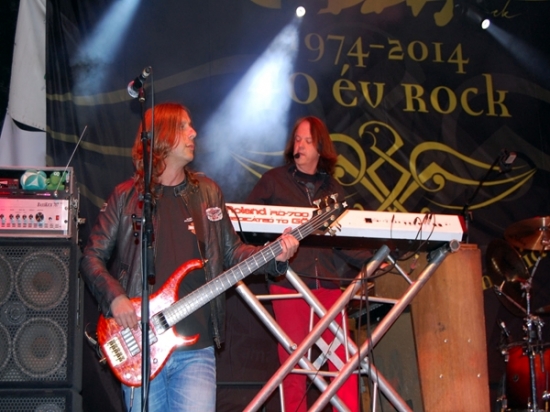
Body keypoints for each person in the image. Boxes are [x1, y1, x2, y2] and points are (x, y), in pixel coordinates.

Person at [80, 102, 299, 412]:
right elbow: (91, 257)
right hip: (139, 345)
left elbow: (233, 253)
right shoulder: (126, 196)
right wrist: (115, 297)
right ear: (162, 136)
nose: (194, 133)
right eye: (183, 126)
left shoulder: (208, 193)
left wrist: (275, 254)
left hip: (196, 348)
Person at [246, 116, 371, 412]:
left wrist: (378, 259)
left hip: (328, 283)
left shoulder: (333, 189)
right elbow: (248, 225)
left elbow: (342, 241)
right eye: (297, 139)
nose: (299, 145)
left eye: (307, 141)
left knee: (344, 359)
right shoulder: (273, 181)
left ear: (320, 148)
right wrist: (273, 244)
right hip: (288, 281)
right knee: (294, 362)